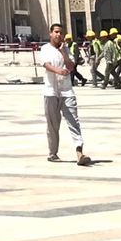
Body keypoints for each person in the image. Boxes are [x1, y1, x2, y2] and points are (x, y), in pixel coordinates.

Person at [38, 24, 91, 166]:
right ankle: (53, 153)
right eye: (56, 32)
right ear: (50, 33)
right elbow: (46, 64)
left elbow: (71, 66)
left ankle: (80, 152)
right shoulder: (45, 49)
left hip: (67, 91)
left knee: (74, 121)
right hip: (51, 91)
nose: (58, 35)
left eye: (61, 33)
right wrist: (57, 71)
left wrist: (63, 53)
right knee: (52, 125)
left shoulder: (67, 49)